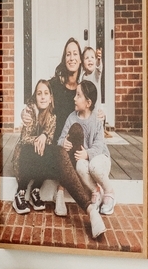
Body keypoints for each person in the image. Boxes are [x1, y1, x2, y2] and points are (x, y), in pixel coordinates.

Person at [58, 78, 114, 224]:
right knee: (80, 166)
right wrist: (64, 142)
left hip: (100, 158)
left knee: (93, 165)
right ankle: (95, 191)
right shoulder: (72, 118)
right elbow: (61, 139)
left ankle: (109, 191)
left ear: (88, 103)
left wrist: (87, 153)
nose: (74, 98)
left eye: (78, 95)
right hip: (84, 160)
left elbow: (100, 144)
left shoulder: (96, 120)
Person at [11, 78, 57, 215]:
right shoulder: (30, 111)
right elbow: (25, 139)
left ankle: (35, 190)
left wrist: (44, 136)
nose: (42, 97)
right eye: (39, 93)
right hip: (24, 158)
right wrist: (40, 138)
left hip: (39, 158)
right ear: (35, 97)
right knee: (30, 148)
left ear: (50, 98)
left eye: (46, 93)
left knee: (49, 150)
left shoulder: (52, 117)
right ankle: (20, 193)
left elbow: (50, 137)